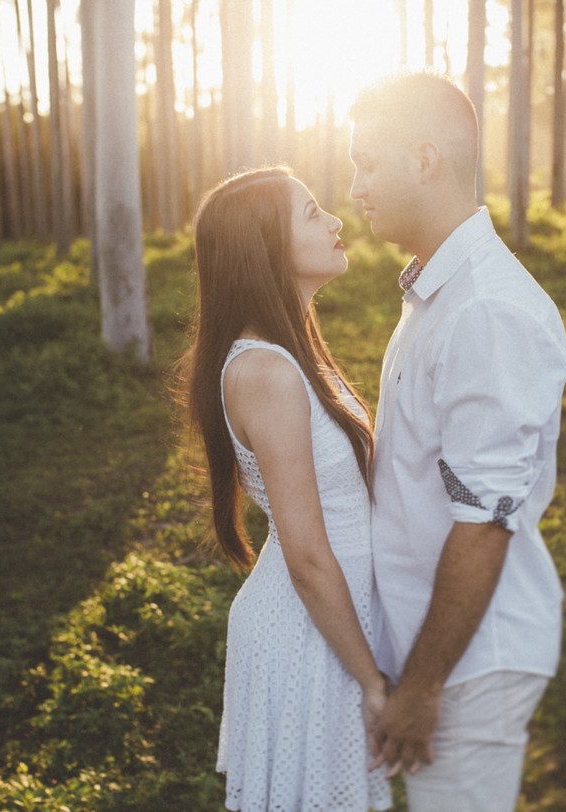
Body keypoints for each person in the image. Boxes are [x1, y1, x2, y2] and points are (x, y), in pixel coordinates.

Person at [349, 72, 566, 810]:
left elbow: (485, 520)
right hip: (438, 653)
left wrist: (422, 685)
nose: (355, 187)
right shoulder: (436, 293)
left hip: (469, 666)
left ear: (424, 159)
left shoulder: (485, 310)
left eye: (368, 162)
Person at [182, 166, 392, 811]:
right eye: (310, 214)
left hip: (331, 626)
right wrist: (373, 683)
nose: (335, 221)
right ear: (264, 248)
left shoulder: (292, 350)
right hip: (310, 637)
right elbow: (305, 555)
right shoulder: (266, 371)